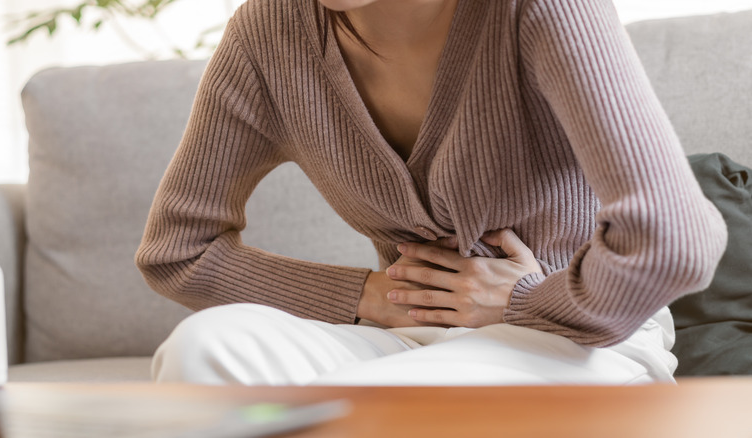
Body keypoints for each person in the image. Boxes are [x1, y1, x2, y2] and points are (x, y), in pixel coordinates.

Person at [135, 0, 727, 385]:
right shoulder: (268, 35)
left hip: (582, 344)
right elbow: (178, 251)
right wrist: (373, 294)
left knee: (368, 403)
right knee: (206, 351)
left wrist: (523, 301)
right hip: (407, 341)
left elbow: (676, 239)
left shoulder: (539, 9)